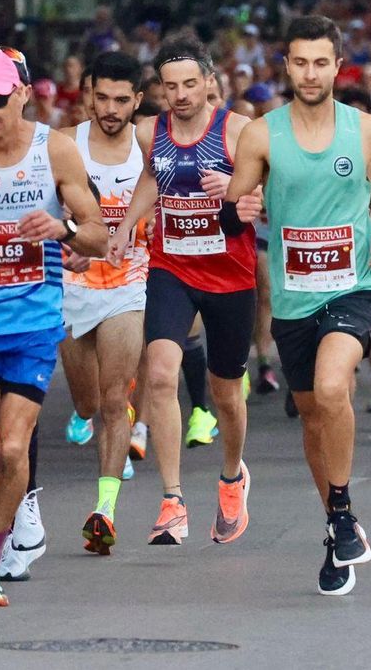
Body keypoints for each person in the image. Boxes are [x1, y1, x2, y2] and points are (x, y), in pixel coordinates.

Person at [226, 15, 371, 596]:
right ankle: (338, 524)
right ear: (286, 66)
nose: (311, 73)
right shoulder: (262, 134)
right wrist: (237, 212)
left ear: (338, 67)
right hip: (292, 299)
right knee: (314, 420)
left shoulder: (367, 129)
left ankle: (341, 512)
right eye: (300, 62)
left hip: (355, 285)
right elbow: (232, 207)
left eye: (322, 62)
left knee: (331, 384)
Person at [0, 49, 107, 607]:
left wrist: (62, 227)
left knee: (13, 447)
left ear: (21, 95)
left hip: (33, 321)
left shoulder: (52, 150)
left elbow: (99, 236)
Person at [108, 32, 256, 551]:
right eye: (171, 86)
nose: (181, 95)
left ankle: (233, 474)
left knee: (225, 393)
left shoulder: (238, 131)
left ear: (209, 83)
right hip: (172, 269)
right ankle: (172, 500)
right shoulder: (152, 131)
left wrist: (240, 191)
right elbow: (153, 177)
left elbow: (265, 193)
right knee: (162, 373)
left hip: (231, 276)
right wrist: (129, 222)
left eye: (190, 84)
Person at [58, 52, 148, 556]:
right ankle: (86, 412)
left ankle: (105, 511)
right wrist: (65, 246)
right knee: (88, 403)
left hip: (127, 284)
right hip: (73, 288)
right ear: (88, 95)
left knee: (115, 400)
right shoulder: (65, 145)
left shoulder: (148, 143)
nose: (110, 109)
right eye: (102, 97)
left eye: (121, 99)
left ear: (137, 100)